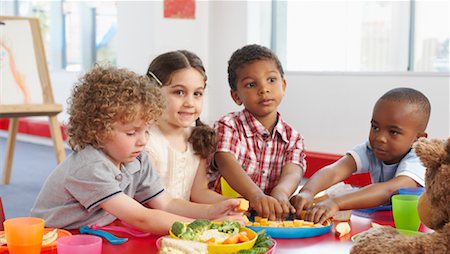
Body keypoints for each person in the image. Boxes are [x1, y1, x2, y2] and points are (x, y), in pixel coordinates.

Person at [30, 65, 243, 235]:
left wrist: (211, 212)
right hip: (54, 242)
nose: (142, 142)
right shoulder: (90, 167)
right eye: (131, 133)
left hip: (91, 236)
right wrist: (207, 227)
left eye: (146, 131)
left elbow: (165, 203)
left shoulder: (136, 158)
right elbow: (141, 217)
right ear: (97, 130)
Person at [292, 87, 431, 224]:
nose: (380, 138)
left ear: (418, 139)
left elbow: (390, 190)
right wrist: (308, 192)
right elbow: (335, 171)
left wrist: (336, 202)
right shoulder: (372, 149)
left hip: (418, 229)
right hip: (384, 223)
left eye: (393, 132)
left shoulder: (419, 158)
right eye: (375, 127)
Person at [208, 44, 307, 220]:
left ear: (283, 85)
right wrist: (255, 195)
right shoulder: (228, 126)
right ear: (236, 96)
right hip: (228, 214)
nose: (264, 89)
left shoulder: (293, 137)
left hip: (270, 218)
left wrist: (281, 192)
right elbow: (225, 161)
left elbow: (293, 171)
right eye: (251, 84)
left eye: (271, 80)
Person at [145, 50, 240, 204]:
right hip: (152, 222)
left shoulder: (196, 136)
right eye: (179, 92)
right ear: (153, 91)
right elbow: (153, 205)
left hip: (184, 220)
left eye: (197, 94)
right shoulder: (145, 139)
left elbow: (199, 192)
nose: (190, 103)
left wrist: (236, 203)